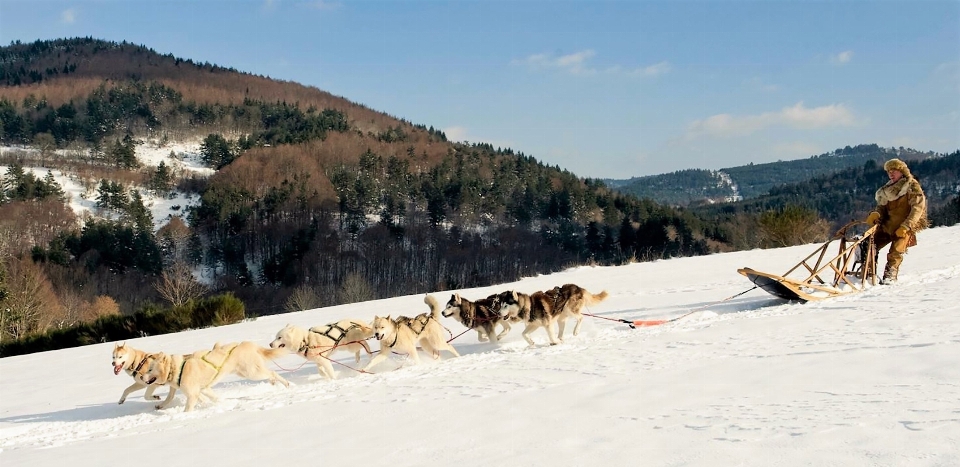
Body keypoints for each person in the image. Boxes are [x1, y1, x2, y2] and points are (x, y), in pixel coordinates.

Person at [864, 158, 928, 284]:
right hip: (887, 226)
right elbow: (882, 206)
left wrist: (906, 226)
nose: (891, 174)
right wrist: (876, 213)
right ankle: (868, 274)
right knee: (868, 245)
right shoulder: (888, 189)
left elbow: (917, 209)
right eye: (889, 171)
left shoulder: (912, 187)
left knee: (895, 252)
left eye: (894, 171)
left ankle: (890, 276)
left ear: (902, 171)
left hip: (904, 228)